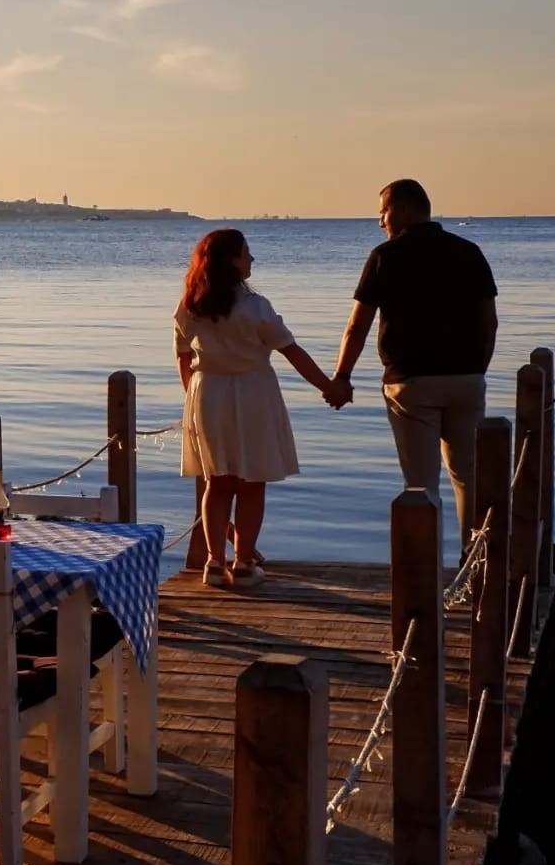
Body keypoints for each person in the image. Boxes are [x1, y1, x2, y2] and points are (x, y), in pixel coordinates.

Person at [329, 179, 498, 554]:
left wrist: (342, 377)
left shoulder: (386, 257)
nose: (380, 222)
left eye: (383, 212)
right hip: (466, 380)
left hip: (412, 383)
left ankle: (425, 572)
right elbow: (490, 320)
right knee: (467, 478)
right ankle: (477, 565)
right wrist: (478, 369)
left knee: (421, 485)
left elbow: (358, 325)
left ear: (404, 210)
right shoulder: (468, 252)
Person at [175, 228, 342, 590]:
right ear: (231, 261)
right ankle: (245, 562)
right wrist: (329, 386)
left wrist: (193, 397)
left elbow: (183, 356)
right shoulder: (255, 307)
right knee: (251, 483)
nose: (251, 260)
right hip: (252, 392)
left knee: (217, 483)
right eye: (246, 254)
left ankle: (214, 562)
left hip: (208, 394)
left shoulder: (191, 305)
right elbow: (291, 351)